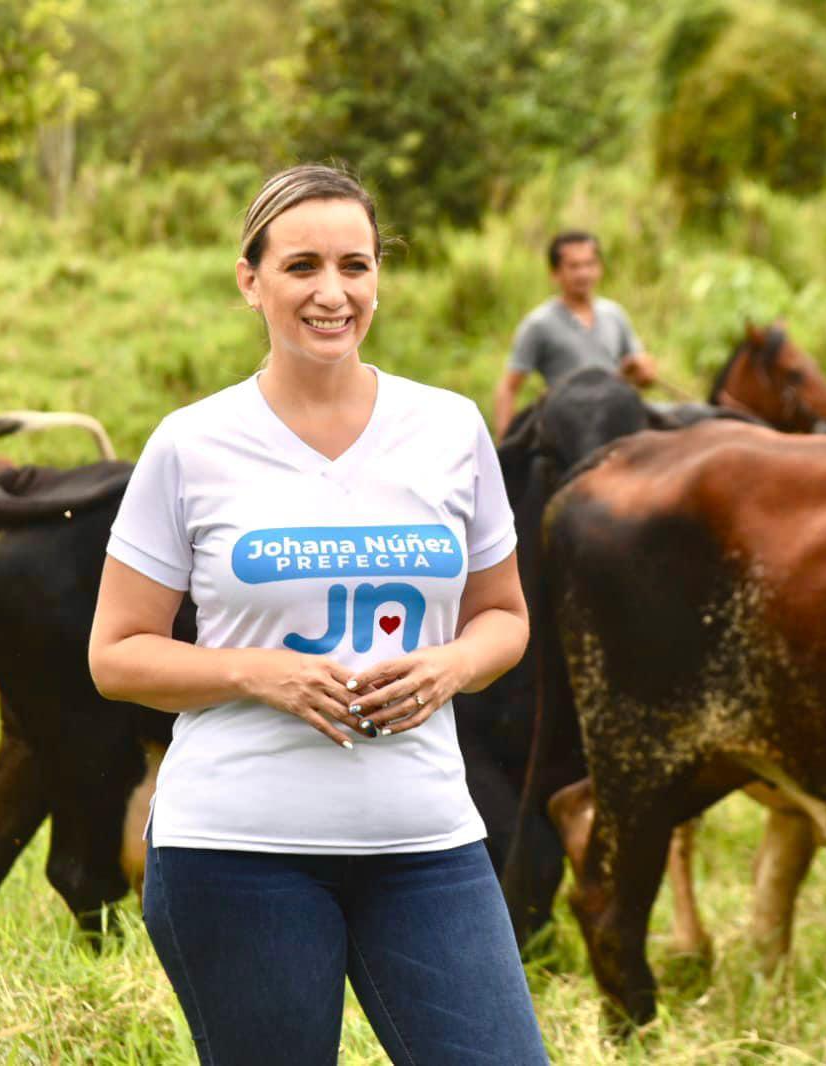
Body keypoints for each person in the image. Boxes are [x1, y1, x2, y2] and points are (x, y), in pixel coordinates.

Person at [89, 164, 549, 1066]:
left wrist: (450, 666)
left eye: (356, 265)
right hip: (233, 853)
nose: (332, 293)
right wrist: (258, 673)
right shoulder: (190, 443)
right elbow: (116, 654)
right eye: (301, 266)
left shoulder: (451, 429)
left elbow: (503, 617)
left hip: (428, 845)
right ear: (249, 279)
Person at [491, 230, 658, 439]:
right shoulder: (539, 324)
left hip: (614, 415)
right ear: (555, 273)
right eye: (574, 266)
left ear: (600, 269)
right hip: (569, 424)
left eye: (589, 264)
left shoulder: (614, 314)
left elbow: (643, 375)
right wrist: (504, 442)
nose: (583, 273)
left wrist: (640, 370)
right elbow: (508, 387)